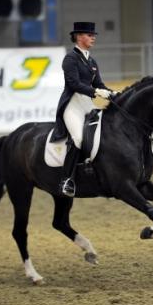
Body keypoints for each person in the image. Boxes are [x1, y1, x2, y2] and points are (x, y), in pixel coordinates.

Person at [50, 21, 112, 197]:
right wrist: (96, 91)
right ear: (78, 37)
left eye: (93, 35)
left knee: (102, 134)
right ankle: (66, 180)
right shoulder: (70, 59)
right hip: (72, 104)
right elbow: (74, 83)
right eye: (88, 34)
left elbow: (99, 84)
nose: (93, 37)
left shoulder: (91, 60)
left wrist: (112, 93)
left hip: (88, 104)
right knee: (78, 138)